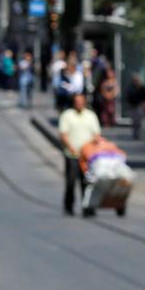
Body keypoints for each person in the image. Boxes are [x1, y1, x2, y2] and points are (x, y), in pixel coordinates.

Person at [58, 89, 102, 217]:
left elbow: (97, 134)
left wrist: (93, 144)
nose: (79, 103)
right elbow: (63, 134)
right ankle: (68, 206)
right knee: (71, 182)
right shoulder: (67, 115)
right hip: (72, 155)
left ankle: (88, 207)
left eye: (81, 101)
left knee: (87, 183)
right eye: (77, 101)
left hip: (87, 156)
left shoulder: (91, 115)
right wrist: (70, 147)